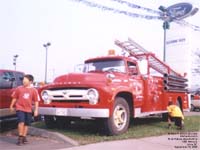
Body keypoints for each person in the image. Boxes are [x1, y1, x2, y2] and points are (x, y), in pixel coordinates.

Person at [10, 74, 40, 146]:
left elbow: (36, 101)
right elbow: (14, 98)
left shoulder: (34, 90)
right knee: (21, 122)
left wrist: (36, 110)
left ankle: (24, 136)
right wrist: (11, 106)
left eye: (25, 80)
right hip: (20, 108)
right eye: (23, 80)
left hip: (28, 109)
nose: (23, 81)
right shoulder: (19, 88)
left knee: (26, 124)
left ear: (30, 82)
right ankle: (20, 137)